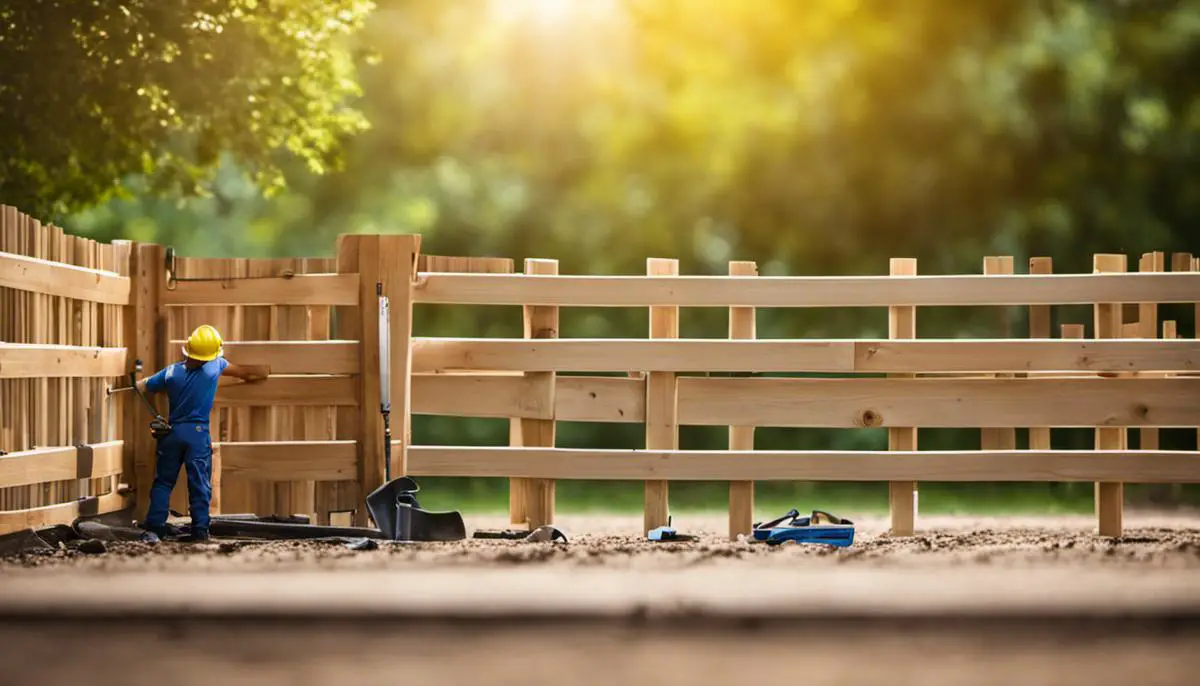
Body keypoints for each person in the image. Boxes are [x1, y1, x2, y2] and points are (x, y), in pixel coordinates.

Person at [136, 324, 269, 541]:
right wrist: (262, 372)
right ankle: (199, 530)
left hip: (171, 433)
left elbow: (143, 386)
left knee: (163, 483)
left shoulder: (170, 372)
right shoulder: (215, 366)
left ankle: (154, 529)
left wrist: (137, 380)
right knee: (199, 483)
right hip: (197, 434)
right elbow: (245, 374)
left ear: (187, 349)